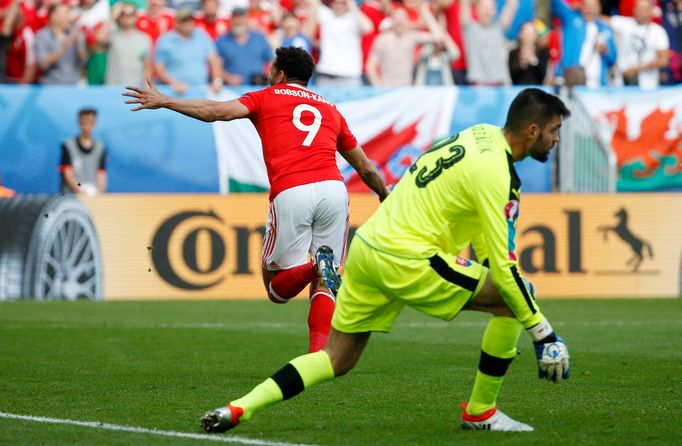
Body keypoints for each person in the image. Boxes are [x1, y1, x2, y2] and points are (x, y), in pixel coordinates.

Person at [192, 88, 573, 434]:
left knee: (335, 359)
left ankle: (237, 408)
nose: (556, 139)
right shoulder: (499, 173)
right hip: (407, 255)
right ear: (533, 130)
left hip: (368, 248)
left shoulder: (478, 136)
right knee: (516, 298)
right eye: (555, 130)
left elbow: (479, 230)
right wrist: (544, 333)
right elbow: (505, 270)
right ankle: (480, 412)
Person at [124, 46, 390, 353]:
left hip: (293, 190)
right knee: (326, 283)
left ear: (280, 73)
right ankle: (318, 355)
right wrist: (384, 194)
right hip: (334, 190)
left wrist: (165, 100)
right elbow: (366, 167)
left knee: (277, 291)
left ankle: (317, 265)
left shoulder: (267, 96)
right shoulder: (330, 109)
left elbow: (214, 112)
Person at [154, 7, 223, 95]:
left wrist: (217, 80)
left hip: (200, 89)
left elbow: (214, 60)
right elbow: (159, 68)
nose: (189, 23)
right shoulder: (165, 40)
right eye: (185, 20)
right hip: (175, 92)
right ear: (177, 23)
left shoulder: (201, 35)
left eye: (190, 20)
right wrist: (174, 83)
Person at [601, 0, 670, 88]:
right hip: (621, 82)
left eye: (643, 9)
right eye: (637, 8)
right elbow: (599, 18)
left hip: (647, 84)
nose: (639, 12)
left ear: (650, 11)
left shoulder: (658, 31)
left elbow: (663, 61)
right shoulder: (625, 24)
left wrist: (637, 69)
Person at [461, 0, 518, 85]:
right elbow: (465, 4)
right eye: (483, 8)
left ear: (494, 10)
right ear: (477, 9)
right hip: (477, 85)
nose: (486, 11)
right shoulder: (470, 29)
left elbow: (512, 5)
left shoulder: (499, 28)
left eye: (489, 8)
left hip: (499, 85)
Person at [215, 6, 273, 86]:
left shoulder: (259, 38)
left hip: (257, 87)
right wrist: (228, 78)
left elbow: (271, 60)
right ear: (231, 21)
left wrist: (266, 76)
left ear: (247, 20)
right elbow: (216, 65)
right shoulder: (222, 40)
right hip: (232, 89)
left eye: (241, 18)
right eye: (235, 18)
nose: (238, 21)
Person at [35, 3, 87, 84]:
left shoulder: (75, 33)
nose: (68, 18)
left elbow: (84, 61)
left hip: (73, 85)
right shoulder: (42, 35)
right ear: (53, 16)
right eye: (65, 15)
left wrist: (78, 46)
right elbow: (43, 64)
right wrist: (64, 48)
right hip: (51, 85)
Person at [60, 108, 107, 196]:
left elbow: (101, 173)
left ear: (95, 123)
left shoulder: (101, 147)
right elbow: (67, 173)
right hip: (72, 196)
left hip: (94, 195)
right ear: (79, 122)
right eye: (85, 122)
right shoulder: (68, 145)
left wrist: (100, 193)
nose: (87, 125)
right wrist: (80, 188)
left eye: (91, 122)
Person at [105, 2, 152, 86]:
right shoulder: (111, 36)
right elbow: (99, 38)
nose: (128, 17)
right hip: (113, 88)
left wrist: (145, 87)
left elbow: (147, 67)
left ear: (136, 16)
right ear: (118, 17)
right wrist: (112, 16)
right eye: (123, 14)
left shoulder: (145, 39)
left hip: (135, 90)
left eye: (131, 14)